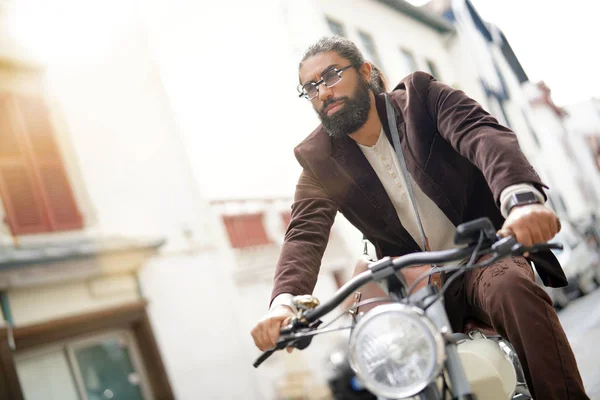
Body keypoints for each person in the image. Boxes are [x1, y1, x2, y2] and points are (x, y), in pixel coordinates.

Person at [250, 36, 588, 399]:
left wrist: (521, 202)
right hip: (413, 288)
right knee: (382, 353)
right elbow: (304, 233)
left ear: (364, 71)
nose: (323, 92)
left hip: (482, 260)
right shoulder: (321, 159)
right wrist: (284, 304)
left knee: (512, 288)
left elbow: (483, 136)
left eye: (331, 76)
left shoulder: (423, 99)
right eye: (311, 87)